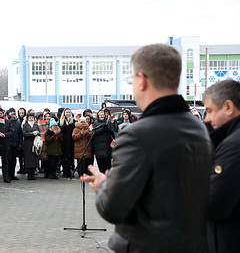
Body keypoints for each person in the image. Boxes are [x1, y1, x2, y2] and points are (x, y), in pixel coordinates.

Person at [80, 44, 212, 252]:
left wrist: (104, 185)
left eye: (132, 80)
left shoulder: (136, 135)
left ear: (141, 80)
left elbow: (114, 208)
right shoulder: (198, 128)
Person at [203, 80, 240, 253]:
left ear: (228, 107)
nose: (207, 119)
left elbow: (213, 205)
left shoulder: (234, 145)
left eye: (209, 110)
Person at [22, 113, 40, 180]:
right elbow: (24, 133)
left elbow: (39, 132)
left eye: (32, 117)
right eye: (30, 117)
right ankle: (29, 173)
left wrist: (37, 133)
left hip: (35, 143)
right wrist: (31, 133)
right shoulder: (25, 125)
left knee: (35, 158)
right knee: (28, 159)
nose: (31, 118)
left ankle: (33, 173)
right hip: (28, 143)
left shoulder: (36, 125)